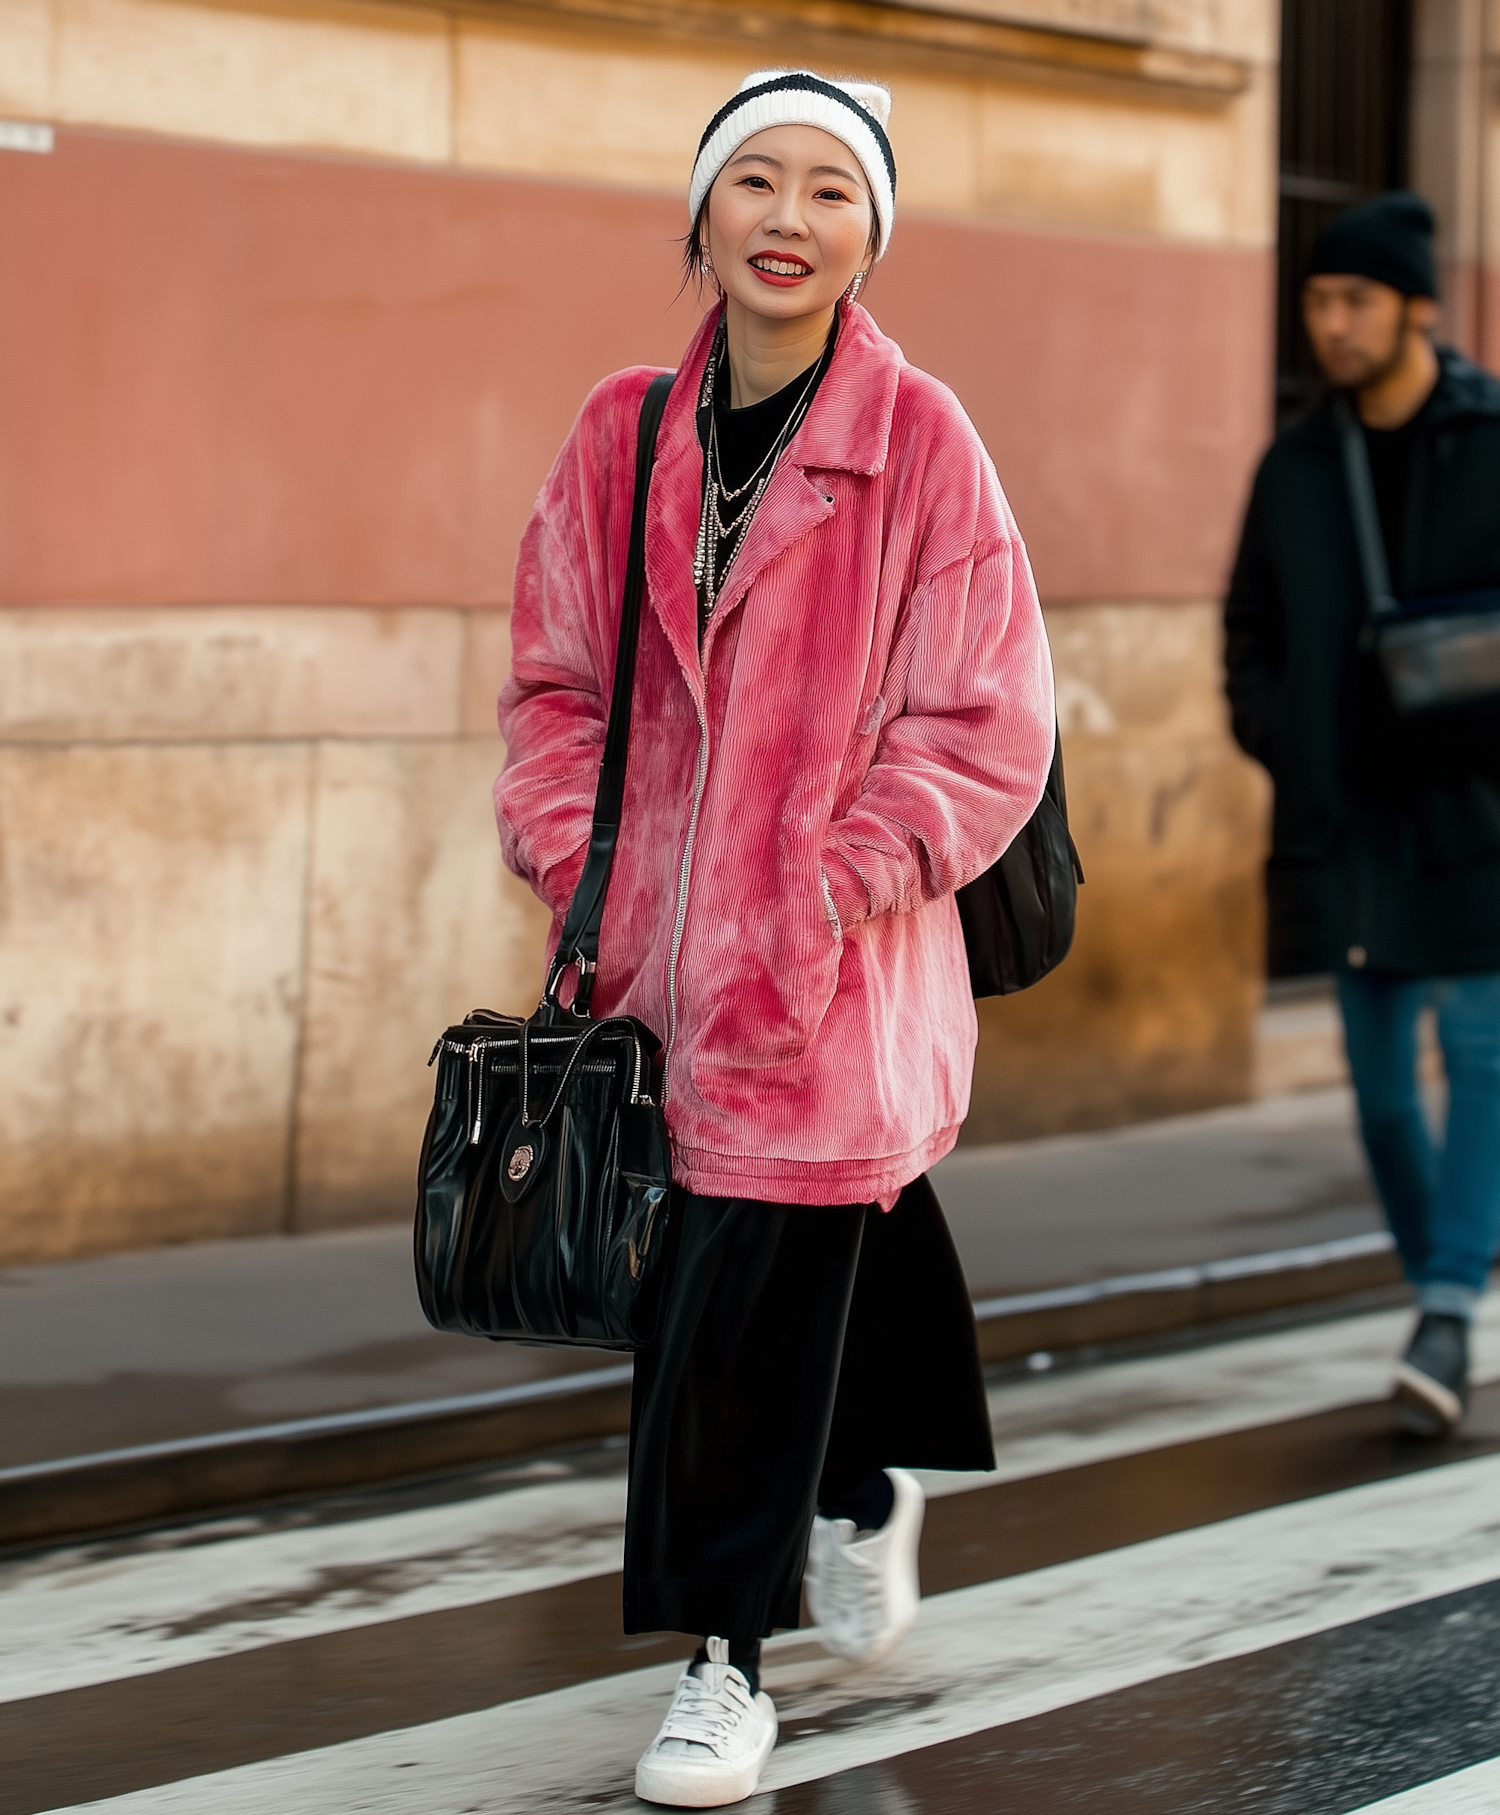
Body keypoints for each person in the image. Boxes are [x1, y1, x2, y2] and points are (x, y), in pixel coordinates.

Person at [496, 67, 1054, 1809]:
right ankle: (872, 1486)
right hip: (649, 984)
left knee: (740, 1302)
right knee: (789, 1264)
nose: (789, 219)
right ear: (703, 214)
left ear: (871, 230)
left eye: (829, 190)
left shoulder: (924, 444)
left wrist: (830, 878)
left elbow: (986, 725)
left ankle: (722, 1665)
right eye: (755, 182)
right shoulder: (621, 434)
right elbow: (556, 681)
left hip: (831, 973)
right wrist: (577, 847)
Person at [1225, 191, 1500, 1440]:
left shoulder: (1493, 439)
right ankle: (1439, 1284)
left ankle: (1446, 1305)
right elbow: (1249, 635)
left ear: (1415, 308)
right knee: (1385, 1095)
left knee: (1485, 1061)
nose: (1331, 323)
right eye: (1319, 302)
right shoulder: (1295, 465)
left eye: (1355, 301)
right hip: (1349, 826)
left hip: (1477, 815)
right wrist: (1288, 739)